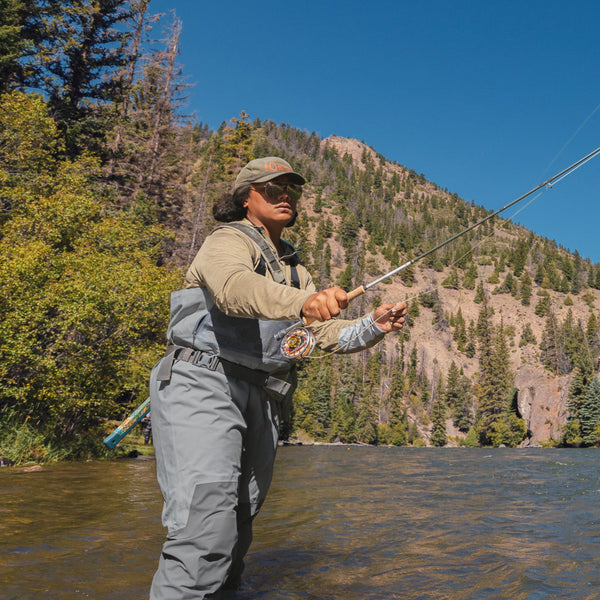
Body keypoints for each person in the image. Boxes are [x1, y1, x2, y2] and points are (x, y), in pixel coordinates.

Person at [148, 156, 407, 599]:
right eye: (272, 188)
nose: (285, 194)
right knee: (204, 527)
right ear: (246, 197)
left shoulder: (296, 271)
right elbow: (232, 288)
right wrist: (303, 303)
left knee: (238, 526)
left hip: (263, 396)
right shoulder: (226, 240)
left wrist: (373, 326)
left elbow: (321, 336)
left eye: (292, 188)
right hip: (203, 385)